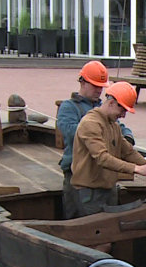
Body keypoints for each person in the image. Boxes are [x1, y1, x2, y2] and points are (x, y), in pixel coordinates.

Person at [71, 81, 146, 218]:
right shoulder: (90, 123)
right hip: (90, 192)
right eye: (123, 110)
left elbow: (127, 151)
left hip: (108, 188)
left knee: (110, 232)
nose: (123, 115)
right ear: (112, 103)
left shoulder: (113, 125)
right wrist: (136, 169)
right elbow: (102, 158)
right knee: (97, 234)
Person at [57, 60, 136, 218]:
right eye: (95, 86)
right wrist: (96, 131)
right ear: (83, 82)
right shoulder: (69, 107)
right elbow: (71, 131)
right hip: (78, 174)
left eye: (101, 87)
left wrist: (126, 138)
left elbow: (119, 127)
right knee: (78, 222)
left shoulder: (104, 108)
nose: (99, 90)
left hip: (103, 175)